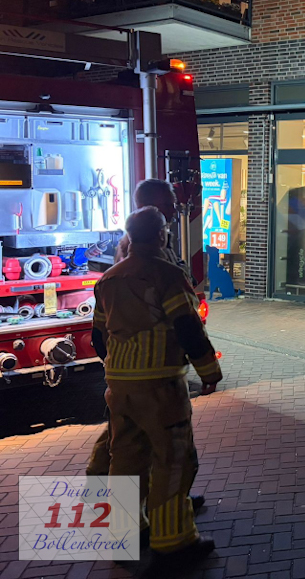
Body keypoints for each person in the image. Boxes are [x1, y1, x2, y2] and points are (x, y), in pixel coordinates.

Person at [92, 208, 222, 569]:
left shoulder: (109, 279)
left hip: (119, 386)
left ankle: (125, 534)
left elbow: (97, 337)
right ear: (161, 234)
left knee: (126, 458)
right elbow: (187, 326)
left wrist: (118, 367)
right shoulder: (167, 275)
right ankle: (173, 541)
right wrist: (209, 371)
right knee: (173, 459)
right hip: (159, 384)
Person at [86, 178, 206, 516]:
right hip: (153, 376)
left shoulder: (133, 249)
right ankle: (164, 516)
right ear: (152, 205)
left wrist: (117, 364)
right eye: (169, 200)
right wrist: (204, 367)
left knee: (126, 445)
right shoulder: (147, 255)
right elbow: (179, 321)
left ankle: (122, 512)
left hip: (127, 376)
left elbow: (101, 331)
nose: (175, 205)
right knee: (160, 449)